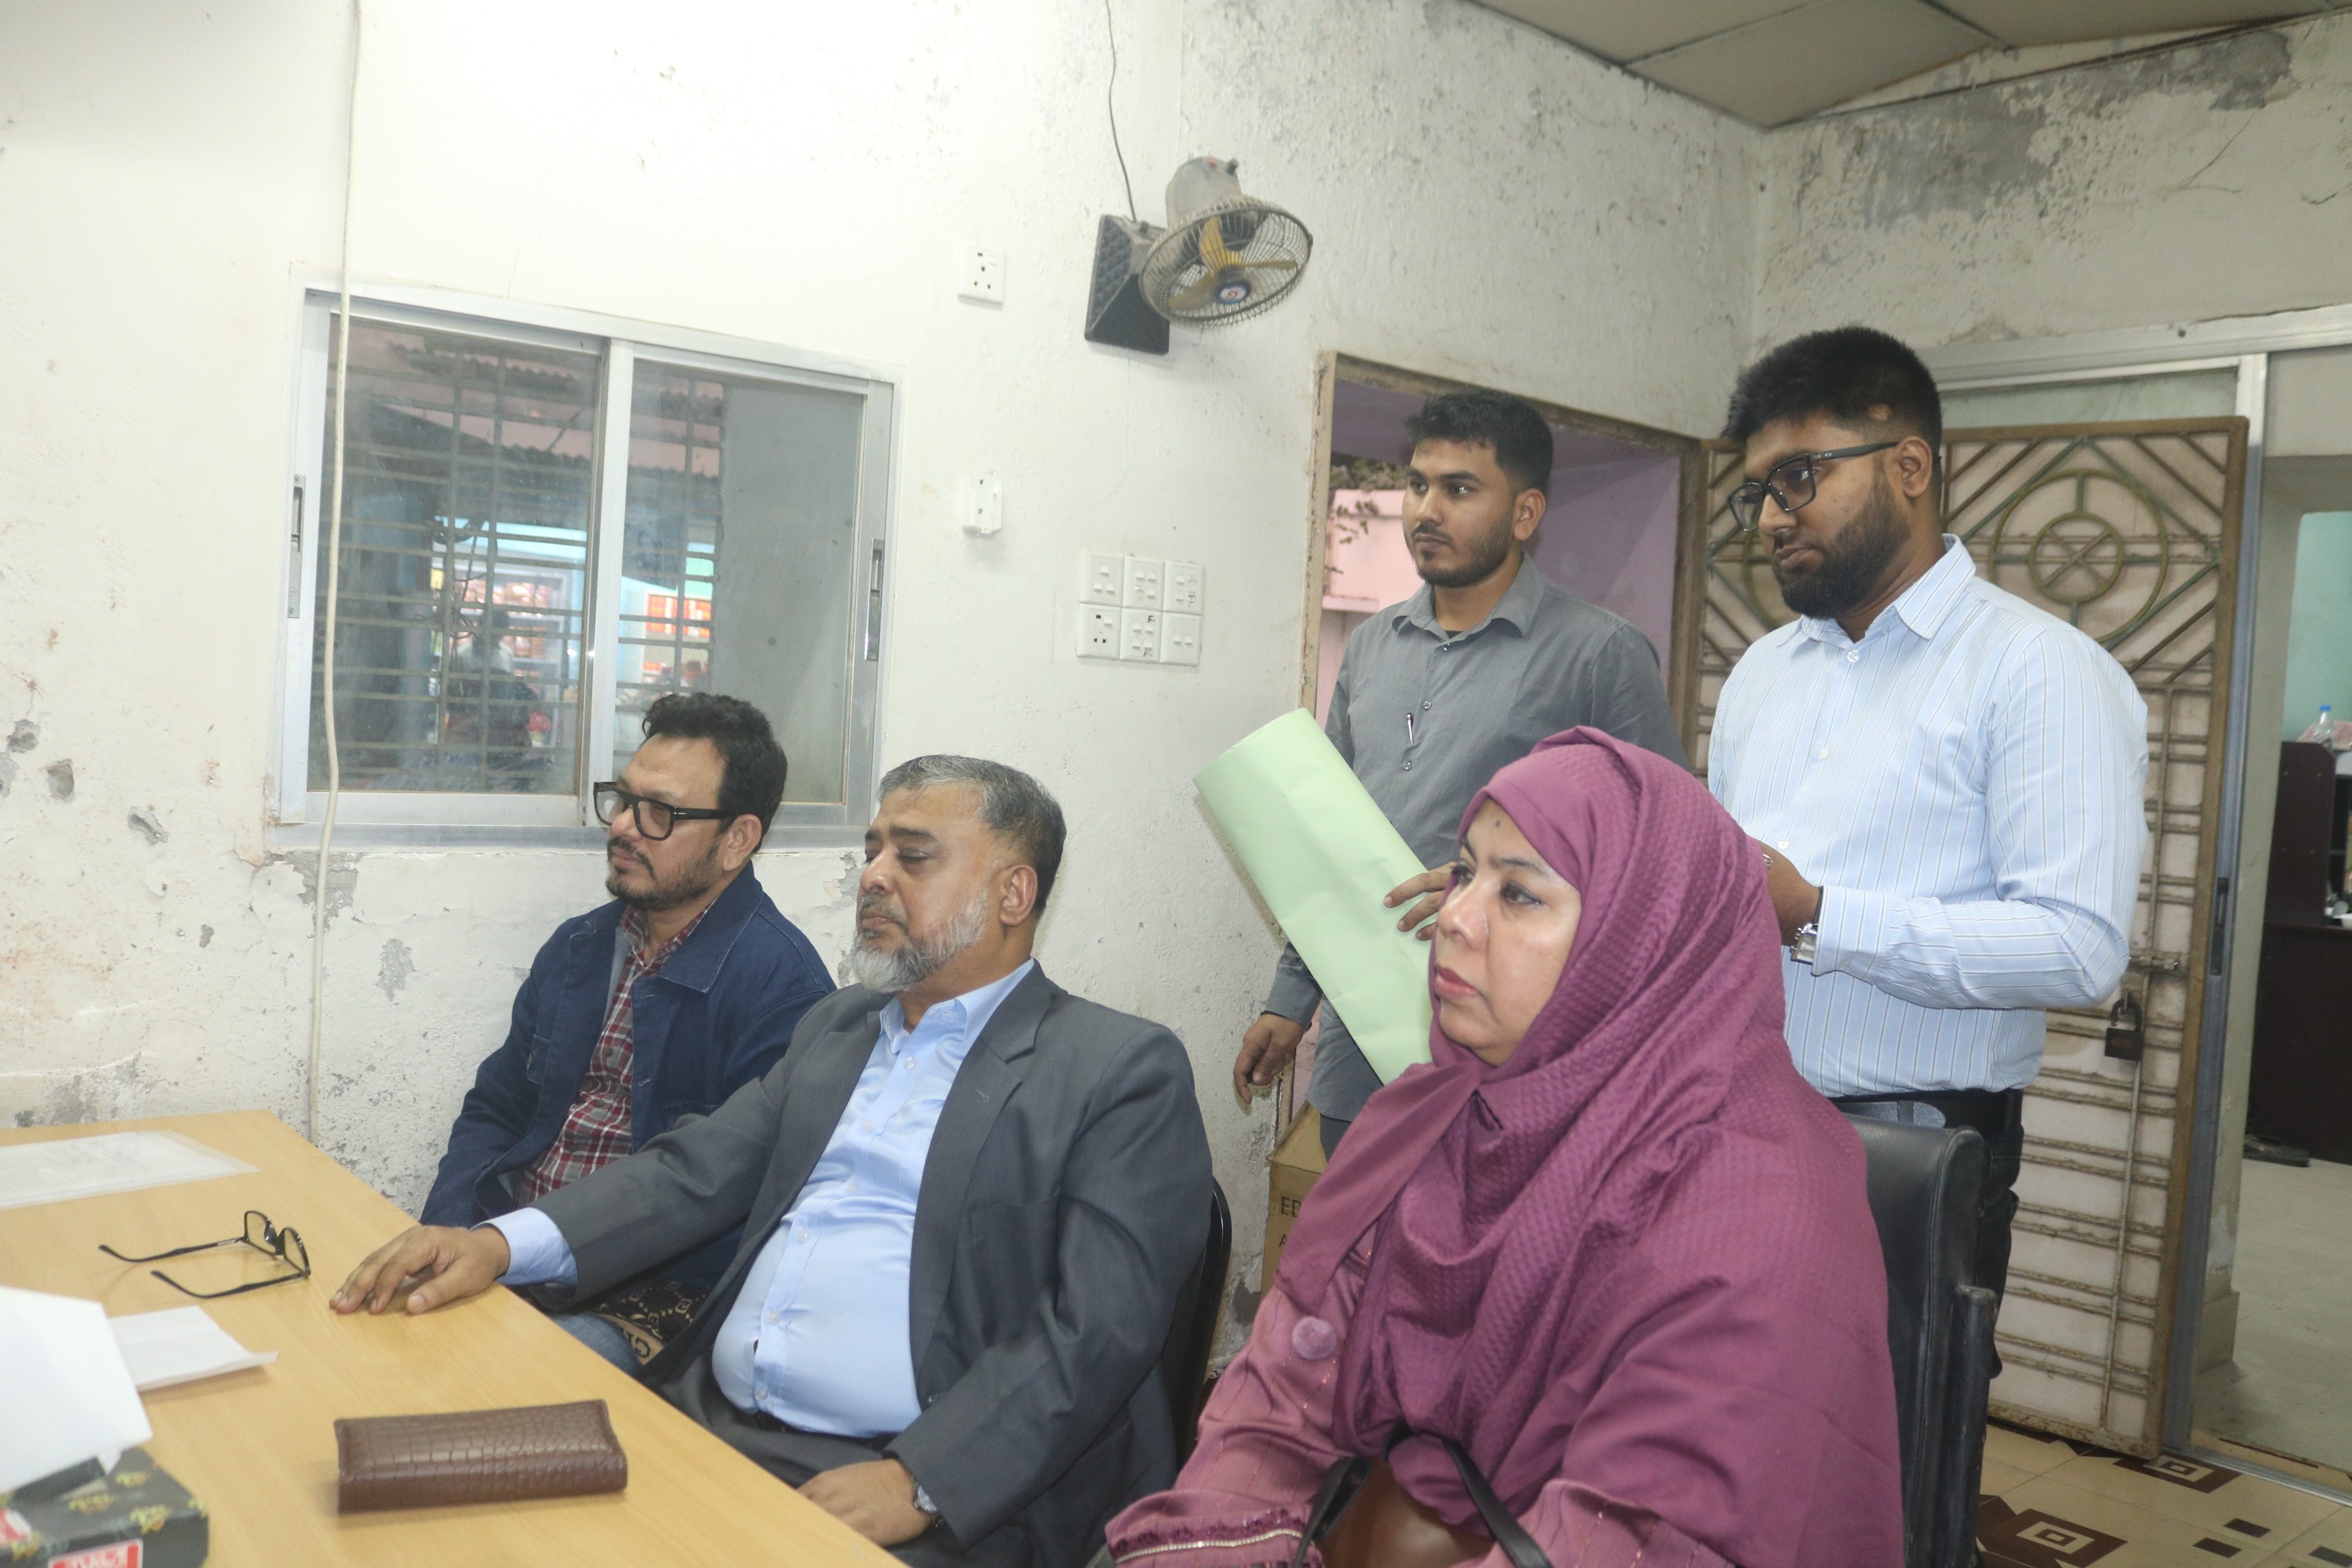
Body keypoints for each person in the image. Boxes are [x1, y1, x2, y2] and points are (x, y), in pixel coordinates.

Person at [339, 756, 1214, 1568]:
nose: (873, 875)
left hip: (931, 1484)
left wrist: (922, 1480)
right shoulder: (840, 1026)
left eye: (913, 856)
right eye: (872, 849)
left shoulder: (1115, 1067)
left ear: (1013, 892)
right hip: (713, 1424)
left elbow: (1100, 1327)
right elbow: (692, 1171)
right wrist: (496, 1244)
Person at [1112, 731, 1901, 1568]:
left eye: (1519, 894)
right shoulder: (1433, 1113)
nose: (1453, 917)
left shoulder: (1757, 1215)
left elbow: (1646, 1534)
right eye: (1464, 873)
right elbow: (1281, 1397)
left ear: (1639, 935)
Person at [1709, 325, 2149, 1302]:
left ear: (1909, 466)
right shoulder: (1761, 673)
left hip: (1914, 1144)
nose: (1771, 518)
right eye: (1758, 491)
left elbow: (2078, 949)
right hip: (1736, 1116)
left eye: (1799, 477)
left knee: (1886, 1405)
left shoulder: (2038, 669)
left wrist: (1818, 916)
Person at [1236, 389, 1686, 1157]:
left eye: (1460, 488)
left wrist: (1495, 884)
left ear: (1526, 512)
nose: (1426, 510)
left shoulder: (1599, 653)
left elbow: (1664, 849)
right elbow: (1330, 847)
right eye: (1417, 484)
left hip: (1513, 1049)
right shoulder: (1373, 645)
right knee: (1360, 1228)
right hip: (1364, 1038)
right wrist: (1290, 999)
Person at [420, 691, 835, 1367]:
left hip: (652, 1291)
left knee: (512, 1376)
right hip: (510, 1250)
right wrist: (450, 1235)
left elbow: (713, 1193)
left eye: (660, 813)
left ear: (738, 840)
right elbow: (496, 1109)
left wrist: (509, 1250)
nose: (622, 827)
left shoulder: (786, 992)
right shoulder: (580, 947)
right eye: (622, 799)